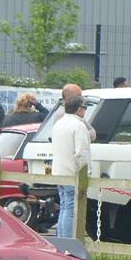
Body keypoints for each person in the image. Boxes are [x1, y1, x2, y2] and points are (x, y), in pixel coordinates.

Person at [52, 94, 90, 239]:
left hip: (59, 172)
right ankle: (68, 241)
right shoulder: (78, 125)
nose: (84, 111)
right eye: (84, 108)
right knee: (70, 208)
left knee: (64, 206)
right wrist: (86, 172)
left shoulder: (58, 124)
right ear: (79, 109)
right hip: (72, 173)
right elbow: (81, 153)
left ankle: (62, 240)